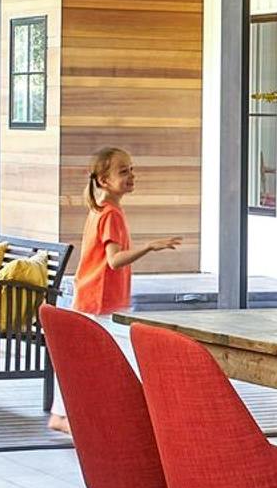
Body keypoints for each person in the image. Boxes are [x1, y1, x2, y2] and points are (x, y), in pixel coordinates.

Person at [51, 147, 181, 433]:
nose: (131, 175)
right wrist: (150, 246)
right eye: (123, 171)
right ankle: (140, 419)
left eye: (131, 169)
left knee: (82, 359)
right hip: (100, 301)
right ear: (103, 180)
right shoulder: (110, 215)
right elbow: (114, 260)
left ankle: (63, 415)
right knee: (130, 356)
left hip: (96, 298)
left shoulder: (102, 210)